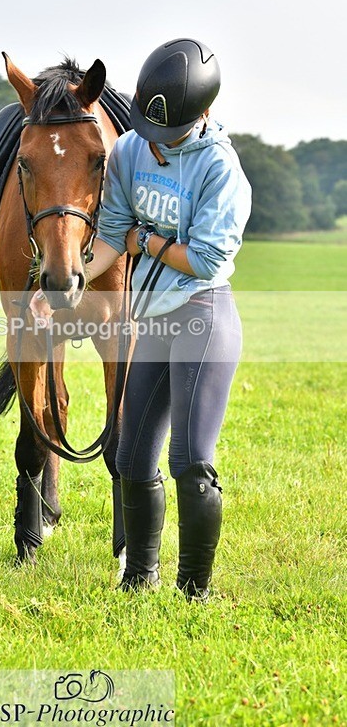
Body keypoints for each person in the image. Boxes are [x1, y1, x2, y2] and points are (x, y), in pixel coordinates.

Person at [30, 38, 252, 600]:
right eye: (148, 134)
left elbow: (203, 259)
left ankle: (194, 590)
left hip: (201, 315)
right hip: (151, 318)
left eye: (168, 136)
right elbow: (109, 238)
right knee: (130, 455)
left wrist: (145, 241)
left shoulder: (220, 169)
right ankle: (138, 580)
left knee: (189, 461)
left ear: (201, 115)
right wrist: (67, 285)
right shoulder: (130, 149)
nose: (154, 147)